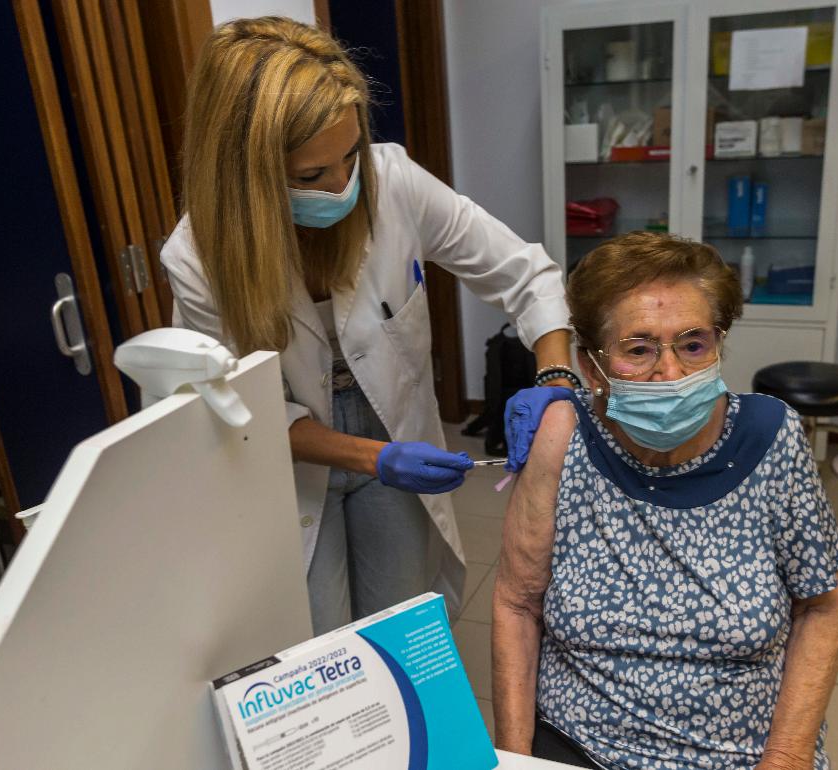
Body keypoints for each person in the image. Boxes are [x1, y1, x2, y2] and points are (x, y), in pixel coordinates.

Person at [160, 17, 578, 634]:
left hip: (394, 434)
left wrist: (555, 376)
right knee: (320, 648)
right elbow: (247, 413)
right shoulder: (196, 259)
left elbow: (526, 274)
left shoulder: (394, 183)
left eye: (350, 155)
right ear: (245, 177)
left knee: (396, 631)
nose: (343, 185)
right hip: (288, 468)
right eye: (310, 177)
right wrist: (373, 458)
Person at [492, 232, 838, 769]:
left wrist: (788, 755)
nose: (671, 372)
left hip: (742, 752)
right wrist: (516, 761)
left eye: (692, 344)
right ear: (592, 368)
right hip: (582, 743)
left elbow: (824, 603)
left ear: (719, 343)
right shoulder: (562, 436)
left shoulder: (771, 434)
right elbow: (516, 605)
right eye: (638, 350)